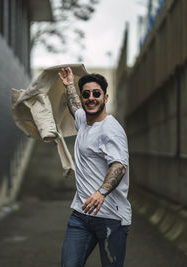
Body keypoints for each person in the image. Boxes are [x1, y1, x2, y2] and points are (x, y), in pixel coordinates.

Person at [58, 67, 131, 267]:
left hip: (111, 218)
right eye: (86, 94)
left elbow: (118, 167)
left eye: (96, 94)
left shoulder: (111, 130)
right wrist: (70, 85)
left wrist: (101, 193)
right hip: (81, 216)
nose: (91, 98)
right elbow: (74, 108)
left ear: (105, 98)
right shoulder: (83, 119)